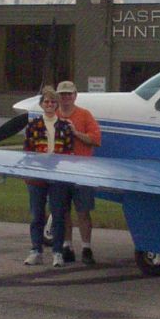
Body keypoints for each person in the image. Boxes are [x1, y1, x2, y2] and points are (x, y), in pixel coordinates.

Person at [22, 86, 73, 267]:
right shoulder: (34, 125)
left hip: (57, 174)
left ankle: (57, 252)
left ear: (57, 105)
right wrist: (28, 171)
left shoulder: (65, 126)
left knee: (58, 214)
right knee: (37, 214)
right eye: (46, 102)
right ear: (42, 104)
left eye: (52, 102)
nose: (49, 104)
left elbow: (68, 150)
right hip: (37, 174)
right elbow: (27, 150)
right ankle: (36, 249)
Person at [55, 79, 102, 265]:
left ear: (75, 95)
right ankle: (67, 246)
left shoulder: (84, 115)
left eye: (69, 94)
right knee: (63, 211)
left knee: (83, 211)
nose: (66, 97)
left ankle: (86, 247)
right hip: (60, 170)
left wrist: (75, 133)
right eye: (63, 94)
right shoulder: (53, 115)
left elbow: (96, 139)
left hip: (82, 170)